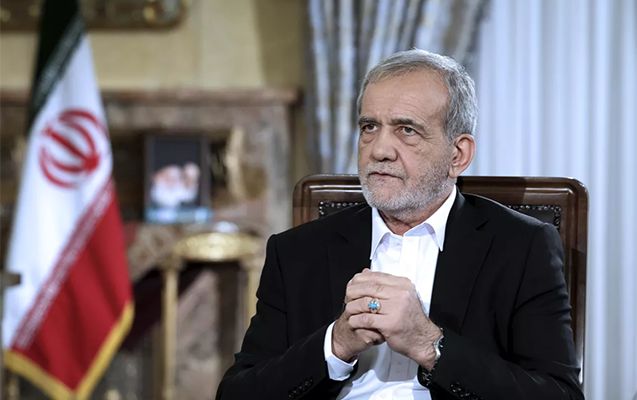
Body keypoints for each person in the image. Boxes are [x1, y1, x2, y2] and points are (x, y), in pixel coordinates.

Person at [216, 49, 583, 400]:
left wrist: (430, 345)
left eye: (407, 130)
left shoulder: (521, 247)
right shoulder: (297, 251)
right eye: (369, 127)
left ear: (458, 155)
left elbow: (558, 395)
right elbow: (237, 394)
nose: (379, 150)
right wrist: (335, 345)